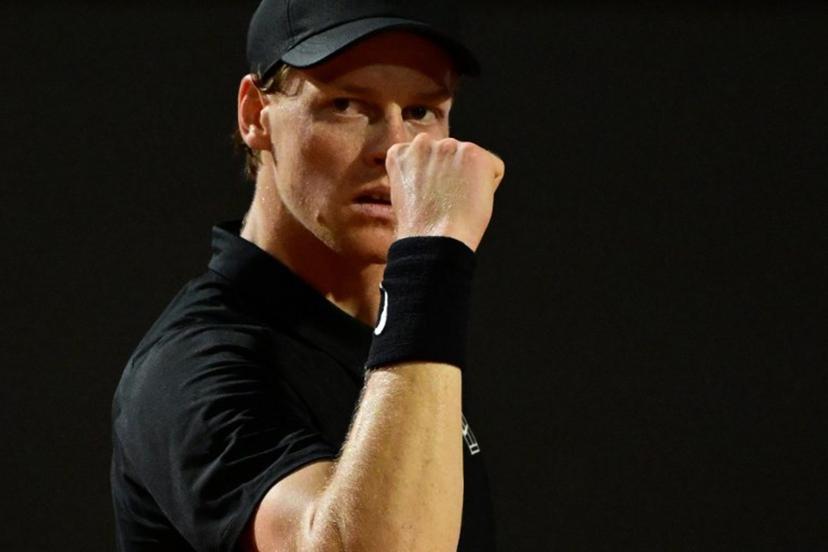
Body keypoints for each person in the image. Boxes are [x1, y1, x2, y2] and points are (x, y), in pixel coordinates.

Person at [110, 0, 505, 550]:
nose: (394, 150)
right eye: (345, 104)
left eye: (421, 112)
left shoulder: (384, 331)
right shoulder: (192, 366)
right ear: (254, 115)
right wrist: (431, 261)